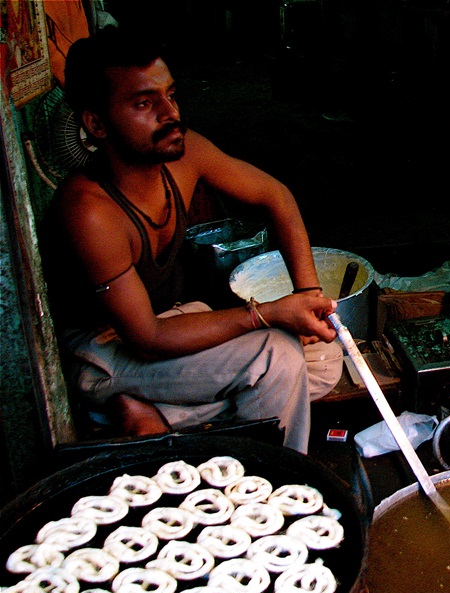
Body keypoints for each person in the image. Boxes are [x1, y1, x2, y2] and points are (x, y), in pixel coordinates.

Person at [40, 26, 343, 452]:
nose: (170, 114)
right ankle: (275, 491)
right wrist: (268, 314)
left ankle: (161, 414)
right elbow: (145, 340)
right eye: (144, 103)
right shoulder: (89, 210)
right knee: (276, 356)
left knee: (323, 357)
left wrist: (308, 294)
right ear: (96, 123)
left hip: (170, 320)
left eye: (171, 95)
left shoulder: (187, 155)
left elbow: (276, 196)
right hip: (106, 351)